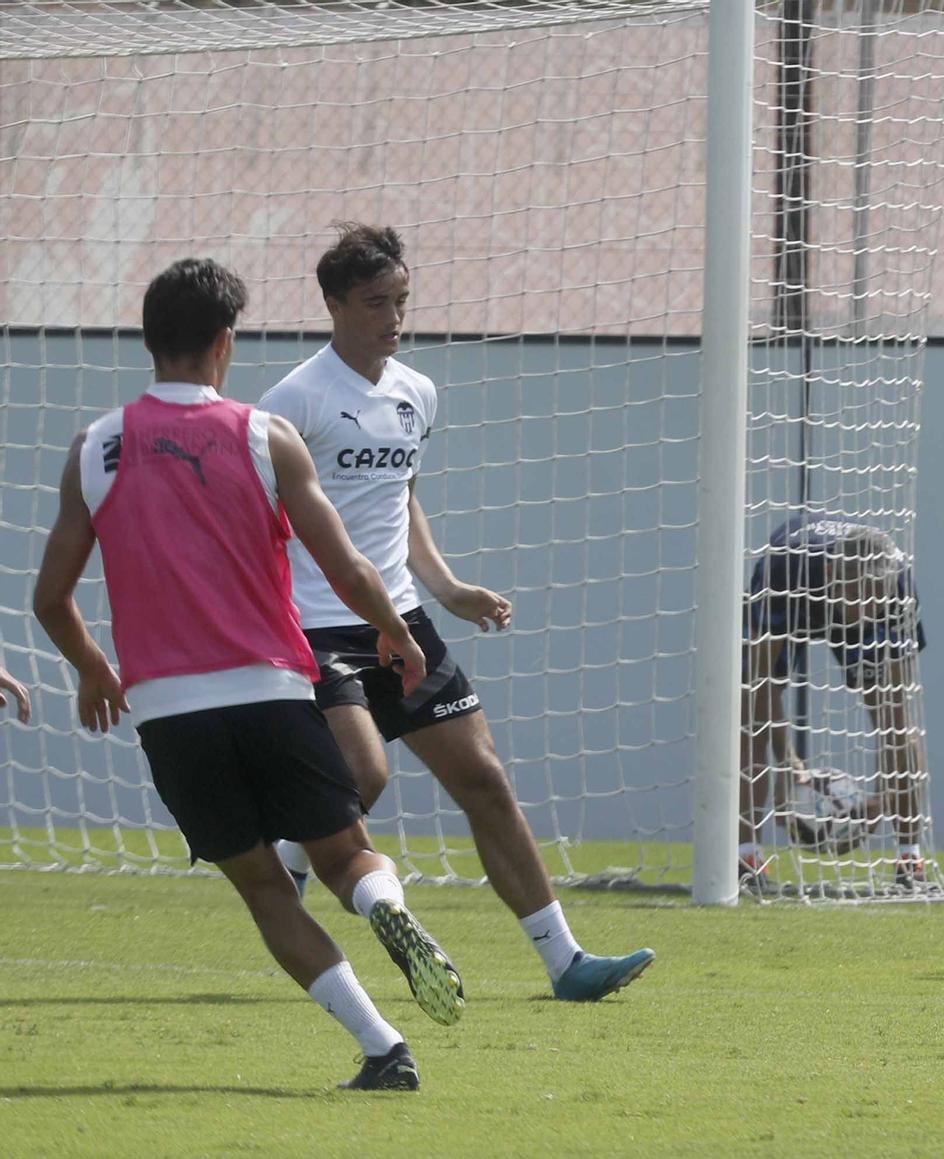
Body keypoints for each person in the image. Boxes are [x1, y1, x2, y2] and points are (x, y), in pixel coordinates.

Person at [33, 257, 463, 1090]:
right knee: (342, 854)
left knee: (268, 888)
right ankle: (390, 909)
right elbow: (345, 567)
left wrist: (94, 669)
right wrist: (394, 633)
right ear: (226, 342)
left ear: (150, 340)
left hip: (169, 708)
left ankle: (385, 1049)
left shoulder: (97, 446)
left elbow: (50, 597)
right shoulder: (266, 436)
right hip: (272, 689)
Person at [259, 223, 652, 1000]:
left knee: (484, 776)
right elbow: (260, 520)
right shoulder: (292, 402)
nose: (394, 318)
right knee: (358, 782)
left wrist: (443, 586)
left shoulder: (417, 393)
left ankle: (566, 961)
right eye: (376, 303)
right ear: (333, 303)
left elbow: (399, 499)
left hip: (400, 617)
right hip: (313, 623)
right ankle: (290, 872)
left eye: (402, 301)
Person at [738, 516, 928, 894]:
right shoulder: (783, 569)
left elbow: (894, 713)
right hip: (797, 594)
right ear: (831, 571)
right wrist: (790, 764)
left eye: (878, 596)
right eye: (859, 595)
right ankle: (745, 860)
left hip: (849, 604)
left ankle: (911, 861)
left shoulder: (898, 591)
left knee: (894, 715)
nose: (866, 608)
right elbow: (758, 684)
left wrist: (882, 799)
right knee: (750, 716)